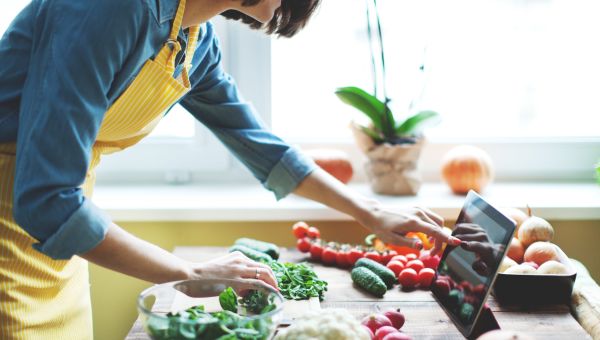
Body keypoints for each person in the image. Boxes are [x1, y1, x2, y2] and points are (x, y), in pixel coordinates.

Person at [0, 0, 461, 338]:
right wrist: (191, 273)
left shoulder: (192, 37)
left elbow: (260, 146)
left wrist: (369, 211)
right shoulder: (111, 9)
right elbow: (47, 200)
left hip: (58, 241)